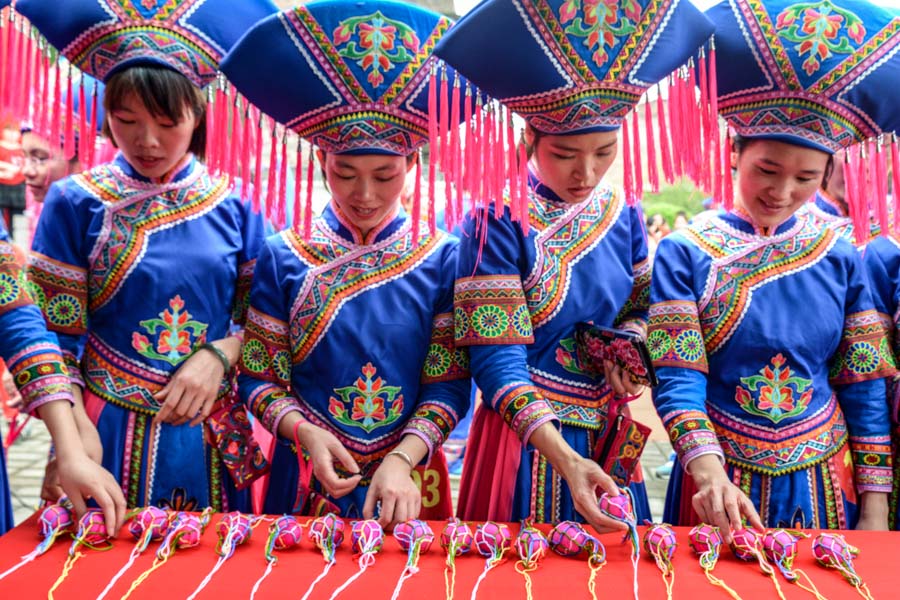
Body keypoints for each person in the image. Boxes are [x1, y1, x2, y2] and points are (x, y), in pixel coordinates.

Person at [433, 0, 713, 529]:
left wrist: (626, 350)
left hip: (608, 425)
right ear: (528, 140)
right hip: (525, 437)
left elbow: (638, 307)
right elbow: (495, 362)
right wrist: (564, 457)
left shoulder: (624, 211)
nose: (586, 172)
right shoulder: (496, 219)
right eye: (564, 154)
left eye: (604, 152)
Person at [649, 0, 899, 540]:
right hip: (716, 480)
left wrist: (876, 507)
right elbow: (678, 375)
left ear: (828, 173)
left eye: (806, 178)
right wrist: (706, 469)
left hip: (823, 482)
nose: (782, 193)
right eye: (766, 169)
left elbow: (863, 386)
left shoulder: (841, 250)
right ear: (733, 152)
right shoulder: (685, 250)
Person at [18, 0, 278, 512]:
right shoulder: (76, 201)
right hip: (101, 426)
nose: (148, 140)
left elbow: (270, 327)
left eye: (166, 120)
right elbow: (53, 338)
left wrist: (219, 354)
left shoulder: (238, 204)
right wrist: (69, 433)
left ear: (199, 112)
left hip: (210, 425)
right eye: (126, 119)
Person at [222, 0, 471, 528]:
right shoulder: (283, 253)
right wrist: (303, 433)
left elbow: (449, 385)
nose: (364, 194)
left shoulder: (445, 256)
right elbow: (259, 379)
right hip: (305, 468)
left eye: (385, 175)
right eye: (344, 172)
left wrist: (404, 457)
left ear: (413, 163)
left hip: (411, 474)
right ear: (320, 161)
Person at [0, 218, 125, 536]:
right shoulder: (74, 201)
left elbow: (20, 324)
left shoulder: (235, 207)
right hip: (103, 412)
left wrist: (68, 447)